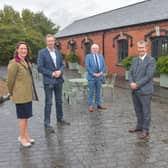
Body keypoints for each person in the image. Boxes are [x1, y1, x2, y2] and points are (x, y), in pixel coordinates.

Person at [37, 34, 70, 133]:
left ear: (54, 41)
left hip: (59, 80)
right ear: (46, 42)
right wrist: (51, 73)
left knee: (59, 101)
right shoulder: (42, 53)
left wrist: (60, 71)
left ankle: (60, 119)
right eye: (49, 41)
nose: (51, 43)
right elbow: (40, 67)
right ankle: (47, 123)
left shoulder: (58, 52)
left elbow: (62, 64)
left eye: (52, 41)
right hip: (49, 81)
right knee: (49, 102)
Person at [7, 41, 37, 147]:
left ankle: (26, 135)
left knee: (26, 117)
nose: (24, 50)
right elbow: (10, 81)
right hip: (20, 95)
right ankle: (22, 137)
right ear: (17, 50)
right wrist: (11, 93)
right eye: (21, 48)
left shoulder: (25, 61)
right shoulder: (14, 63)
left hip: (27, 95)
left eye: (25, 49)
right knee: (22, 118)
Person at [128, 40, 156, 139]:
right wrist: (131, 82)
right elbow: (130, 73)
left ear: (146, 48)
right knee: (138, 110)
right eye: (139, 48)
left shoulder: (151, 60)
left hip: (145, 91)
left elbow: (149, 76)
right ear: (137, 48)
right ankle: (139, 127)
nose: (140, 49)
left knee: (146, 111)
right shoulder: (134, 60)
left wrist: (137, 84)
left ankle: (145, 130)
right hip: (135, 91)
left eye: (142, 48)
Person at [85, 43, 107, 112]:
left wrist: (101, 73)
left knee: (98, 91)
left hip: (99, 77)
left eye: (96, 48)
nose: (95, 49)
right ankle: (90, 106)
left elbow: (104, 66)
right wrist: (94, 74)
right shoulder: (88, 56)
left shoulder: (101, 56)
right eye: (93, 48)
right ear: (91, 49)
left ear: (98, 49)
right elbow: (87, 66)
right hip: (91, 77)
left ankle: (98, 104)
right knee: (91, 92)